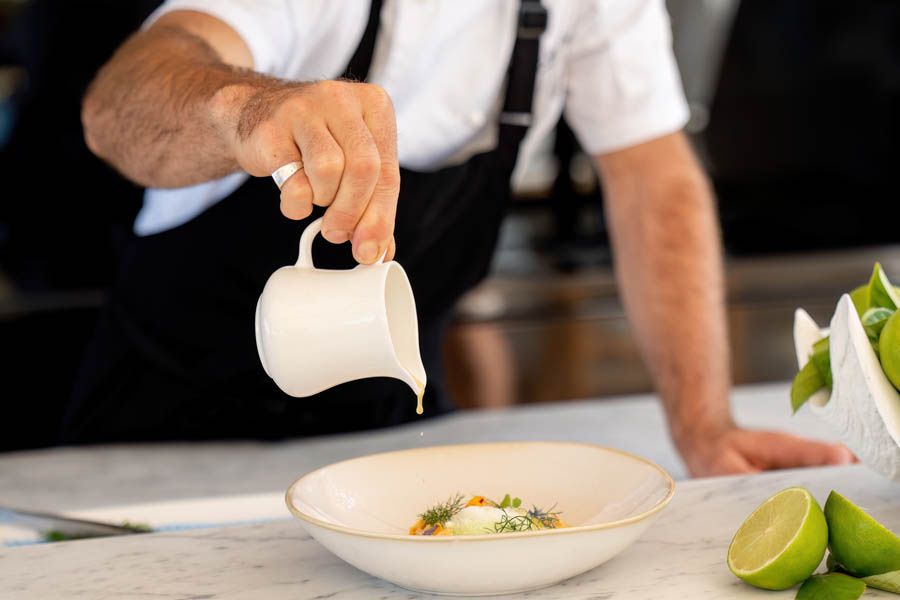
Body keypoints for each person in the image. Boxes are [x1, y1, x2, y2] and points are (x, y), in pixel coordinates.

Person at [70, 0, 852, 476]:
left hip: (386, 449)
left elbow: (655, 179)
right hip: (162, 435)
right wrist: (246, 110)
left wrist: (704, 427)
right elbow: (118, 107)